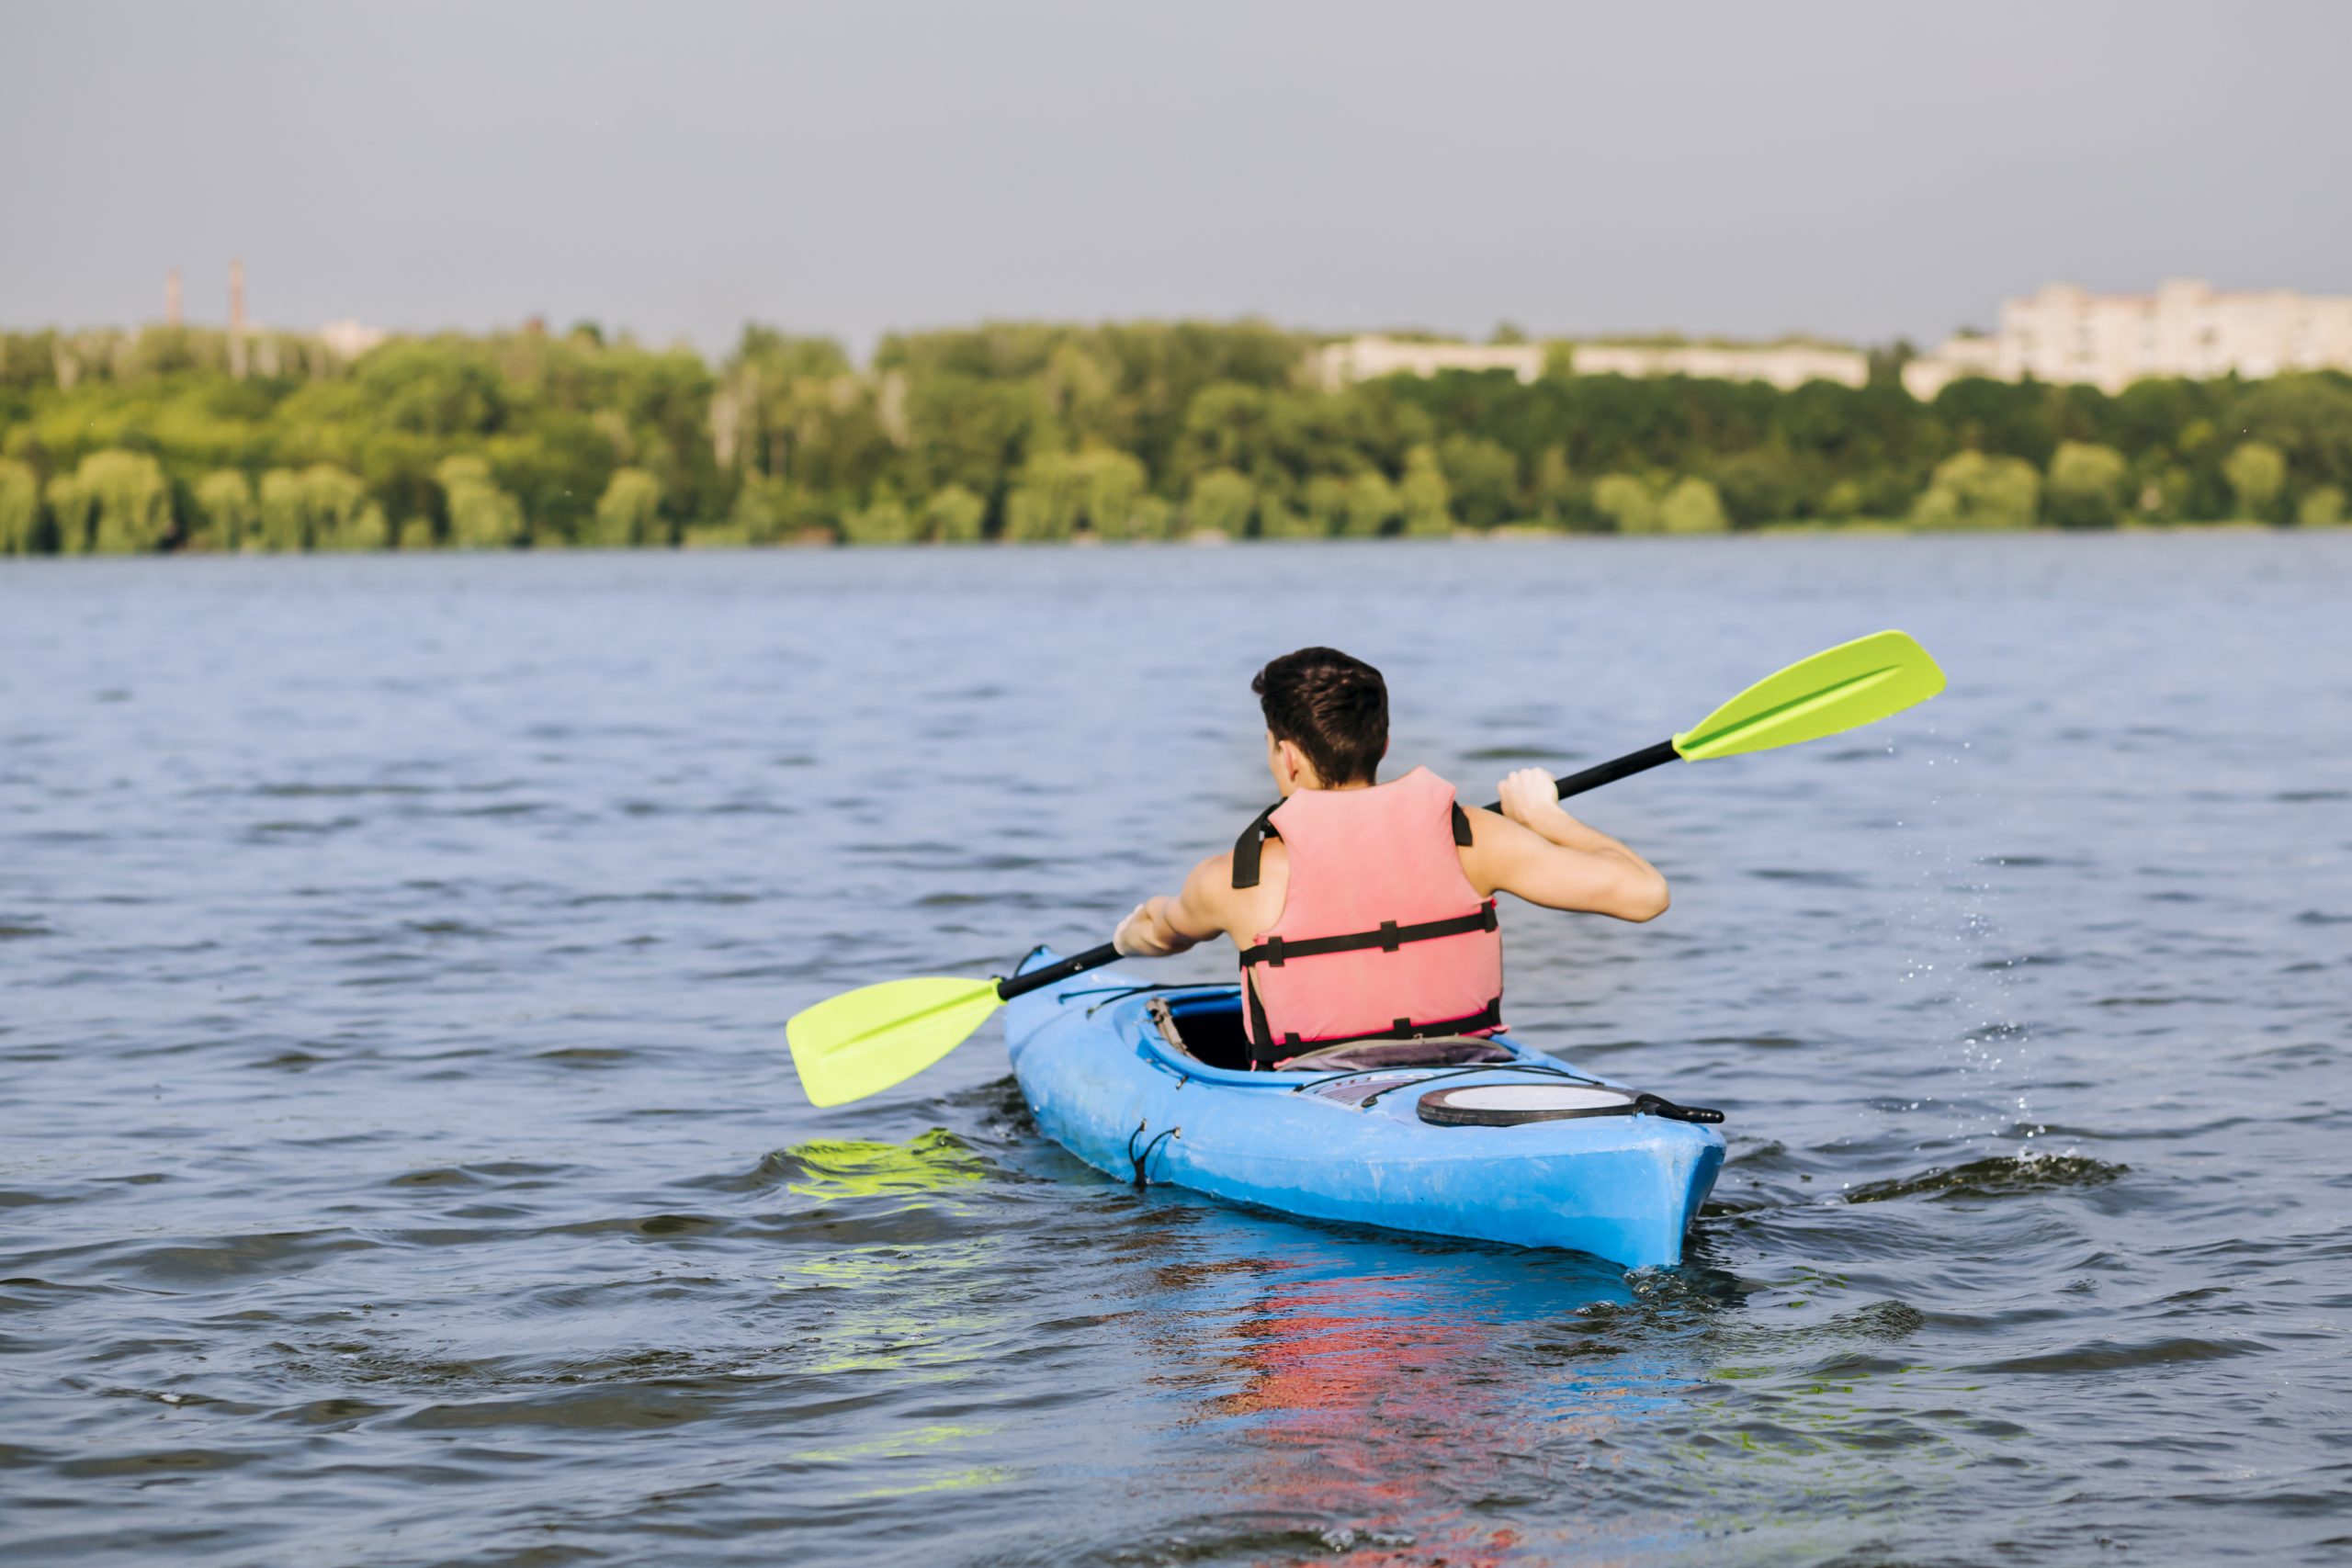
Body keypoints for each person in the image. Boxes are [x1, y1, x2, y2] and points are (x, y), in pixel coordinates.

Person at [1111, 646, 1669, 1066]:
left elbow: (1163, 931)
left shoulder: (1238, 880)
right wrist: (1546, 817)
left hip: (1315, 1099)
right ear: (1382, 743)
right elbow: (1646, 896)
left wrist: (1129, 935)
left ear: (1288, 756)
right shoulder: (1472, 839)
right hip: (1467, 1071)